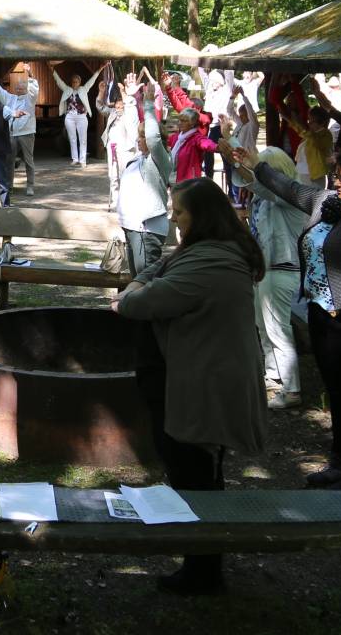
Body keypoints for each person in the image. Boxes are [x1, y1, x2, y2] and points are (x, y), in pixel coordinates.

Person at [112, 177, 266, 596]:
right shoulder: (201, 252)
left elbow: (140, 302)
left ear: (203, 216)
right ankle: (201, 559)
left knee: (195, 470)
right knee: (190, 466)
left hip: (207, 382)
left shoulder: (210, 262)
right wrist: (143, 282)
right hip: (196, 374)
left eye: (179, 212)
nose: (174, 219)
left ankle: (203, 569)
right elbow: (153, 270)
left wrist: (132, 294)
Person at [232, 143, 341, 488]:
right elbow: (290, 188)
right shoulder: (323, 202)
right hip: (322, 313)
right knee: (337, 393)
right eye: (338, 176)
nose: (340, 183)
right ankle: (340, 462)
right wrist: (256, 166)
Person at [229, 146, 310, 408]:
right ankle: (274, 374)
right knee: (263, 326)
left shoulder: (291, 194)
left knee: (278, 330)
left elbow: (260, 184)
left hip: (283, 269)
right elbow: (251, 182)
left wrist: (251, 167)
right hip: (266, 270)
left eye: (262, 167)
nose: (256, 172)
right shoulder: (264, 197)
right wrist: (232, 155)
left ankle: (292, 389)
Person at [111, 84, 173, 278]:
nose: (138, 140)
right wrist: (130, 99)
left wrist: (148, 104)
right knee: (136, 279)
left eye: (141, 137)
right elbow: (130, 126)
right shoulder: (139, 157)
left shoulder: (160, 160)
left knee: (145, 279)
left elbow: (153, 138)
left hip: (147, 230)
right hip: (132, 228)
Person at [0, 63, 39, 197]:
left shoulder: (30, 98)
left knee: (28, 160)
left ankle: (30, 186)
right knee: (9, 161)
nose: (20, 89)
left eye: (22, 87)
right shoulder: (11, 98)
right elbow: (0, 91)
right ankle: (9, 186)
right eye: (18, 88)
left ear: (26, 88)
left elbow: (34, 89)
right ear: (15, 89)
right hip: (12, 134)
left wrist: (30, 74)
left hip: (27, 133)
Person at [51, 64, 100, 167]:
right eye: (73, 82)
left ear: (80, 82)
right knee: (72, 138)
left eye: (76, 81)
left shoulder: (83, 89)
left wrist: (100, 69)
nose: (75, 83)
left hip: (82, 116)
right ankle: (75, 159)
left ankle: (83, 160)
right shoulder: (67, 89)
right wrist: (52, 70)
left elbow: (93, 80)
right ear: (71, 82)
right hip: (69, 117)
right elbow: (58, 81)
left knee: (83, 139)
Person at [170, 108, 219, 184]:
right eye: (179, 120)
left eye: (184, 121)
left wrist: (216, 147)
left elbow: (206, 143)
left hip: (190, 183)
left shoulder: (196, 138)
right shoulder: (176, 137)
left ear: (192, 123)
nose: (180, 123)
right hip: (174, 180)